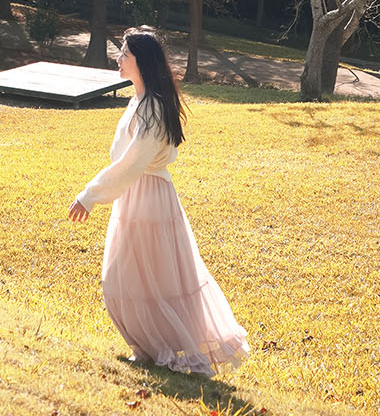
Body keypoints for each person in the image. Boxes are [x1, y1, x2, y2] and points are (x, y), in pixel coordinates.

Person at [67, 27, 249, 376]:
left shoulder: (151, 107)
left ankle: (157, 348)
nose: (118, 58)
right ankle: (148, 348)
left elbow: (131, 164)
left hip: (147, 197)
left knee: (142, 279)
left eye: (125, 53)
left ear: (142, 61)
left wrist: (89, 194)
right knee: (131, 278)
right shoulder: (140, 100)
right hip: (137, 197)